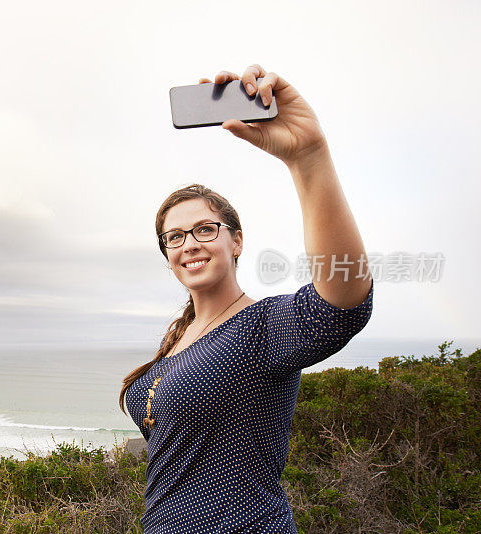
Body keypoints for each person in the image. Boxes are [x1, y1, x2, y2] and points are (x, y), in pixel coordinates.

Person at [119, 64, 374, 533]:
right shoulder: (182, 337)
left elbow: (343, 298)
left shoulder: (261, 328)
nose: (189, 244)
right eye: (173, 238)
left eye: (204, 229)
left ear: (236, 241)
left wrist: (308, 157)